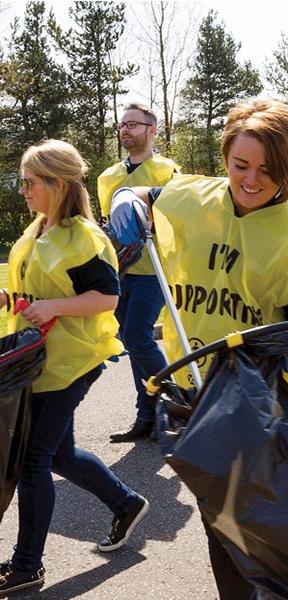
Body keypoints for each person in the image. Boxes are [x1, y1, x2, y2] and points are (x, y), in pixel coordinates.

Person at [110, 98, 288, 599]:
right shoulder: (196, 197)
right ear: (225, 159)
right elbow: (150, 193)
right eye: (241, 165)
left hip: (260, 404)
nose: (252, 180)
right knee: (220, 522)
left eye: (268, 170)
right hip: (195, 394)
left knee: (260, 524)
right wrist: (130, 199)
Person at [0, 140, 149, 596]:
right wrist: (10, 301)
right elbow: (32, 289)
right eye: (20, 182)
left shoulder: (85, 238)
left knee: (33, 460)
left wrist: (52, 307)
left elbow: (107, 297)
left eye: (29, 182)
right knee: (59, 454)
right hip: (39, 361)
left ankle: (28, 566)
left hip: (74, 360)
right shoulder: (37, 229)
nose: (22, 190)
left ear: (57, 184)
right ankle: (126, 503)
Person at [97, 103, 179, 443]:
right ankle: (146, 416)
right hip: (121, 273)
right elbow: (111, 229)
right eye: (123, 125)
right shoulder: (108, 178)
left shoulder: (168, 171)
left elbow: (178, 220)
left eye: (134, 124)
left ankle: (176, 400)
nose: (126, 130)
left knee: (136, 336)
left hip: (154, 271)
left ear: (152, 130)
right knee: (131, 341)